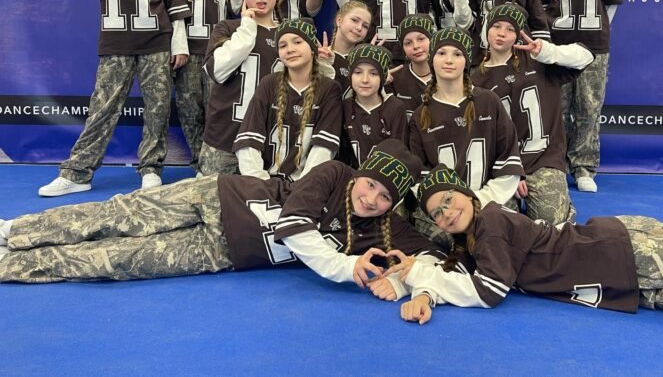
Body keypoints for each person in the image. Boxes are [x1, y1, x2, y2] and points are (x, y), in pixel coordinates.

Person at [0, 141, 443, 301]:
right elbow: (293, 225)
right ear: (361, 174)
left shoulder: (386, 230)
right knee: (112, 217)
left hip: (224, 252)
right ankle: (11, 231)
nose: (371, 199)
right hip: (216, 197)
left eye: (385, 198)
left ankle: (9, 264)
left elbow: (435, 259)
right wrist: (347, 267)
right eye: (371, 185)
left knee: (117, 261)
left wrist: (403, 283)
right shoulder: (335, 173)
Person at [394, 166, 663, 330]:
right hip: (619, 282)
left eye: (448, 200)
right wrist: (421, 289)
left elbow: (489, 292)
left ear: (467, 194)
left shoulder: (490, 222)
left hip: (622, 252)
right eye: (437, 213)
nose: (446, 213)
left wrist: (418, 278)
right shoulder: (470, 240)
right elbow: (456, 270)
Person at [40, 0, 191, 197]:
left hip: (156, 44)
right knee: (102, 108)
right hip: (116, 44)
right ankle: (77, 173)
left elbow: (174, 7)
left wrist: (180, 45)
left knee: (158, 109)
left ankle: (151, 169)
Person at [471, 3, 593, 224]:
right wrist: (510, 171)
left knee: (550, 223)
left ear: (518, 35)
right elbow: (483, 136)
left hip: (543, 159)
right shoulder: (476, 79)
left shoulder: (538, 61)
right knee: (499, 223)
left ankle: (564, 207)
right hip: (503, 165)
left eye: (510, 29)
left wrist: (548, 51)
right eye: (497, 26)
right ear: (487, 29)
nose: (501, 33)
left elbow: (586, 56)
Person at [535, 0, 623, 192]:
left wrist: (595, 30)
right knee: (557, 108)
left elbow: (610, 3)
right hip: (559, 47)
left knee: (589, 108)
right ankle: (557, 163)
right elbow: (541, 6)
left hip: (593, 46)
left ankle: (584, 167)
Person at [408, 27, 526, 247]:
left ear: (467, 61)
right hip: (446, 208)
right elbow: (420, 178)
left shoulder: (489, 101)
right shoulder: (420, 116)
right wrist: (449, 206)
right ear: (431, 59)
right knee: (438, 245)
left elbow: (508, 161)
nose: (449, 60)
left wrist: (478, 202)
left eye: (457, 54)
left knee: (502, 240)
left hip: (489, 199)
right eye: (441, 53)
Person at [171, 0, 241, 176]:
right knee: (190, 109)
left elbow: (236, 7)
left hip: (218, 51)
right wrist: (179, 46)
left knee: (217, 109)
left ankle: (213, 164)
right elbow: (174, 9)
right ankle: (198, 163)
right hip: (190, 50)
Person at [233, 18, 342, 181]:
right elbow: (249, 139)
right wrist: (259, 182)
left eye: (297, 42)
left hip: (306, 185)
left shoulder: (329, 89)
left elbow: (324, 149)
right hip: (263, 181)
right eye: (283, 45)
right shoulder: (269, 83)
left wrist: (303, 186)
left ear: (313, 48)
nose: (290, 49)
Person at [198, 0, 280, 176]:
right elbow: (216, 70)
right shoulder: (227, 27)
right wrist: (247, 28)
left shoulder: (287, 36)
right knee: (213, 195)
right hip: (224, 136)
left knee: (259, 196)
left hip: (266, 140)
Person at [340, 44, 408, 168]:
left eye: (373, 73)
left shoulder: (395, 107)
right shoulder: (344, 107)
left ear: (383, 77)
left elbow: (398, 154)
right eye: (358, 72)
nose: (365, 80)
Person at [388, 13, 437, 120]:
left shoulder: (447, 74)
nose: (416, 46)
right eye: (408, 43)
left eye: (421, 39)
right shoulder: (394, 78)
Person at [324, 0, 373, 99]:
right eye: (354, 20)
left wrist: (379, 77)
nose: (359, 28)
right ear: (339, 20)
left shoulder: (365, 62)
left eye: (365, 26)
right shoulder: (320, 56)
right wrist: (320, 65)